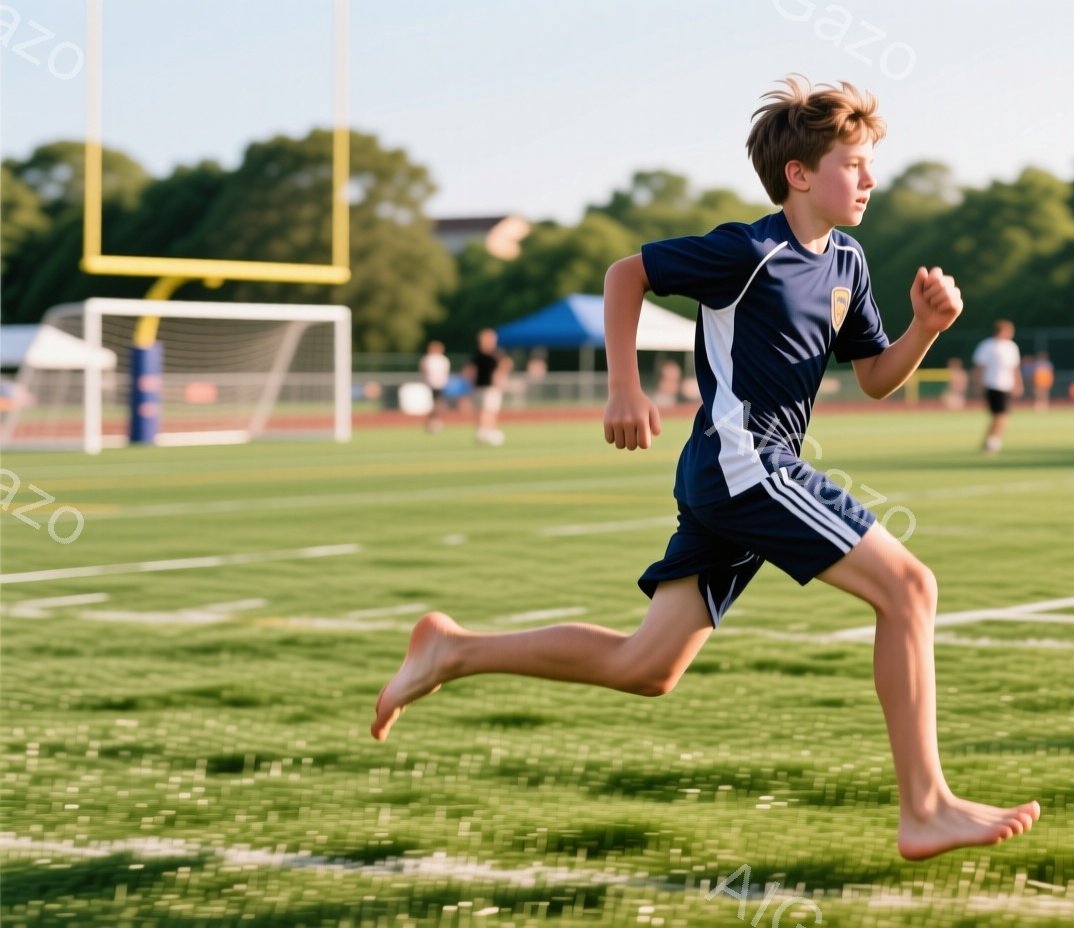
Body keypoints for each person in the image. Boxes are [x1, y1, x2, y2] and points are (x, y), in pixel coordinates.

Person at [369, 76, 1039, 861]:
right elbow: (628, 274)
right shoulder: (748, 252)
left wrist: (925, 330)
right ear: (799, 174)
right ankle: (924, 807)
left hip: (745, 471)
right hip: (742, 462)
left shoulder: (850, 262)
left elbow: (874, 377)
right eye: (853, 163)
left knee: (646, 665)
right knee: (910, 587)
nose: (869, 179)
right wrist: (623, 387)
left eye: (869, 165)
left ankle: (452, 651)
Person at [971, 320, 1023, 453]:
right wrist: (978, 383)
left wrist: (1018, 383)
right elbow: (980, 366)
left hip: (1006, 385)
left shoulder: (1011, 347)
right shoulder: (988, 346)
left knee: (999, 415)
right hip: (992, 384)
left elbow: (1014, 368)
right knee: (1000, 415)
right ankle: (993, 441)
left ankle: (990, 440)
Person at [466, 328, 512, 446]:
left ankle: (486, 432)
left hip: (491, 387)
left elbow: (506, 364)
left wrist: (500, 378)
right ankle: (483, 431)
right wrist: (470, 381)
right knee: (482, 411)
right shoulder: (477, 354)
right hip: (478, 386)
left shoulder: (497, 353)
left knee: (489, 411)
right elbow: (471, 369)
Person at [418, 341, 450, 434]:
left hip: (440, 385)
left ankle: (435, 421)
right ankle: (432, 422)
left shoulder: (443, 360)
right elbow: (424, 372)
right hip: (430, 385)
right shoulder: (427, 359)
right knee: (434, 405)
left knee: (438, 404)